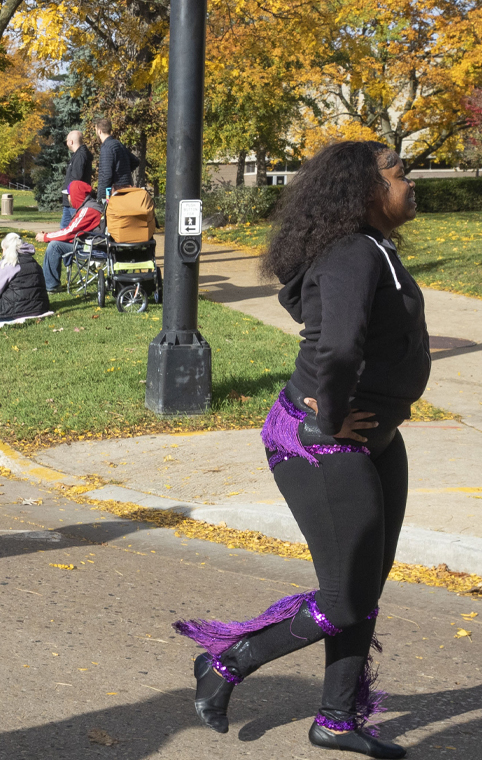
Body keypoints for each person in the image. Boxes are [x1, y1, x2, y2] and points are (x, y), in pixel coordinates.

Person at [172, 140, 424, 758]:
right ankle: (229, 660)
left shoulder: (369, 249)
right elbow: (334, 347)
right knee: (345, 598)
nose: (408, 178)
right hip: (320, 444)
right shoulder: (351, 254)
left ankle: (337, 720)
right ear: (365, 188)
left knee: (364, 588)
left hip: (376, 441)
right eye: (397, 171)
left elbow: (310, 305)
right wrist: (328, 417)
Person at [37, 181, 103, 292]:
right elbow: (71, 231)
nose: (68, 198)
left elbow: (69, 232)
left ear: (75, 195)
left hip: (91, 247)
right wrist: (49, 236)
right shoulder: (88, 207)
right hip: (88, 242)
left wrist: (45, 237)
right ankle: (50, 283)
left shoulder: (88, 210)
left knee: (55, 246)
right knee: (56, 243)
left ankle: (50, 286)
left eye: (68, 195)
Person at [93, 118, 139, 195]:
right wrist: (123, 172)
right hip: (126, 189)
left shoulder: (107, 147)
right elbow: (135, 161)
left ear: (99, 131)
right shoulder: (118, 144)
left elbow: (106, 175)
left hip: (115, 193)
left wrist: (101, 197)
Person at [60, 129, 92, 228]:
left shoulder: (80, 155)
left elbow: (76, 178)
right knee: (65, 229)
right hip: (71, 201)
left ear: (71, 142)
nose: (66, 143)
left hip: (74, 201)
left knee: (70, 229)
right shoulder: (79, 154)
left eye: (67, 141)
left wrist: (70, 194)